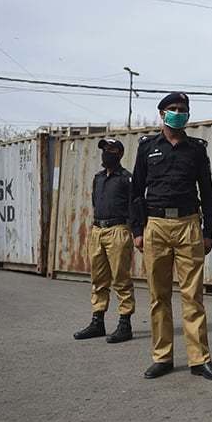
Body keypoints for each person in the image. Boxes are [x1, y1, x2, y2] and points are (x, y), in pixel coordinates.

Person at [131, 92, 212, 381]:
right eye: (172, 108)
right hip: (156, 226)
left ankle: (199, 360)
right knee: (158, 296)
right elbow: (136, 191)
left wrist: (207, 232)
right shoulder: (148, 147)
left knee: (193, 296)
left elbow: (207, 193)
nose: (177, 112)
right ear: (161, 114)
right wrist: (137, 230)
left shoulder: (196, 149)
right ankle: (162, 357)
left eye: (182, 109)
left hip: (188, 225)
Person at [73, 138, 136, 344]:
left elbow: (135, 206)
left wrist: (136, 233)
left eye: (109, 150)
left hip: (118, 230)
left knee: (121, 279)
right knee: (98, 279)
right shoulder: (98, 178)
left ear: (118, 153)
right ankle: (97, 322)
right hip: (98, 230)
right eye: (103, 150)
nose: (105, 153)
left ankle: (125, 324)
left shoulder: (126, 178)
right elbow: (94, 203)